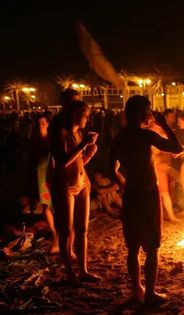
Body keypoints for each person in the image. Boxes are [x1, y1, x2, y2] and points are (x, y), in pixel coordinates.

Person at [109, 95, 182, 304]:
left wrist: (126, 185)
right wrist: (165, 125)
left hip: (132, 195)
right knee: (152, 247)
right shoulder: (146, 136)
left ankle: (136, 290)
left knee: (132, 247)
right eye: (148, 112)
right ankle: (149, 293)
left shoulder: (119, 138)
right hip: (149, 195)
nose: (150, 115)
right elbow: (176, 148)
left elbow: (111, 169)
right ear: (142, 114)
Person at [48, 100, 99, 284]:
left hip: (82, 183)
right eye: (86, 114)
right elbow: (62, 163)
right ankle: (70, 274)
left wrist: (89, 154)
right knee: (66, 231)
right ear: (76, 115)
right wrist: (83, 145)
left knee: (83, 229)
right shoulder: (60, 132)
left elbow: (78, 162)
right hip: (65, 186)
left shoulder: (78, 133)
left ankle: (83, 270)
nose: (88, 118)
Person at [30, 113, 58, 254]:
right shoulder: (34, 140)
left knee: (56, 204)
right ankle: (54, 232)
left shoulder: (53, 139)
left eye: (43, 122)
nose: (40, 124)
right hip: (41, 174)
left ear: (48, 123)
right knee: (46, 205)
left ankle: (59, 236)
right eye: (38, 122)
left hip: (52, 173)